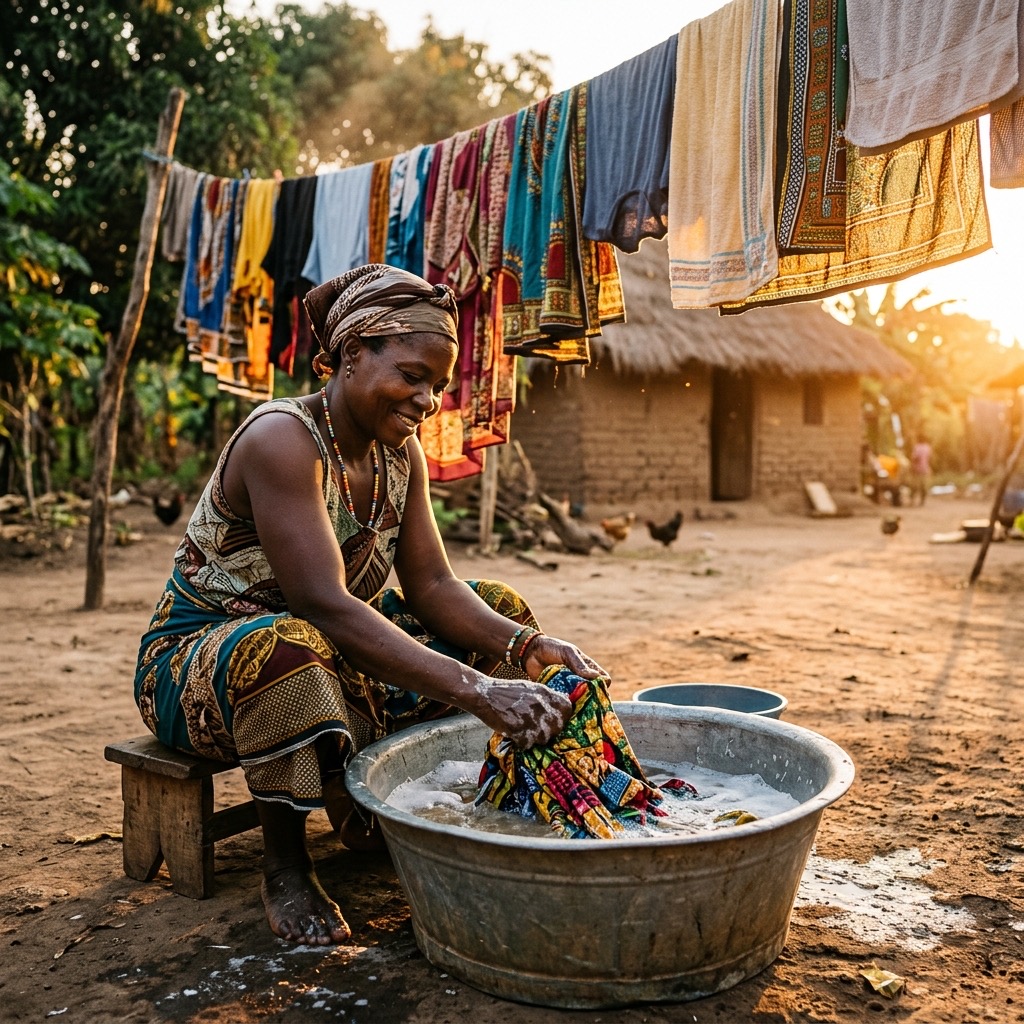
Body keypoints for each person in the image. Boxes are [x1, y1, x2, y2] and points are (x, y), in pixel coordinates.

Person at [134, 264, 604, 946]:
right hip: (201, 668)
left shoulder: (399, 455)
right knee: (287, 648)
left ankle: (373, 804)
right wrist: (477, 691)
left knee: (497, 610)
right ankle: (287, 866)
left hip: (330, 649)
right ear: (353, 353)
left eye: (436, 385)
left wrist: (526, 646)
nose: (427, 400)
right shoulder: (281, 439)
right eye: (412, 375)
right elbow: (323, 603)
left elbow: (434, 587)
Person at [909, 436, 933, 506]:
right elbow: (930, 459)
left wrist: (912, 467)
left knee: (914, 486)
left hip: (917, 469)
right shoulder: (928, 447)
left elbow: (915, 458)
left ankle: (912, 500)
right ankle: (922, 501)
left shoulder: (917, 447)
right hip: (925, 469)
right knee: (923, 486)